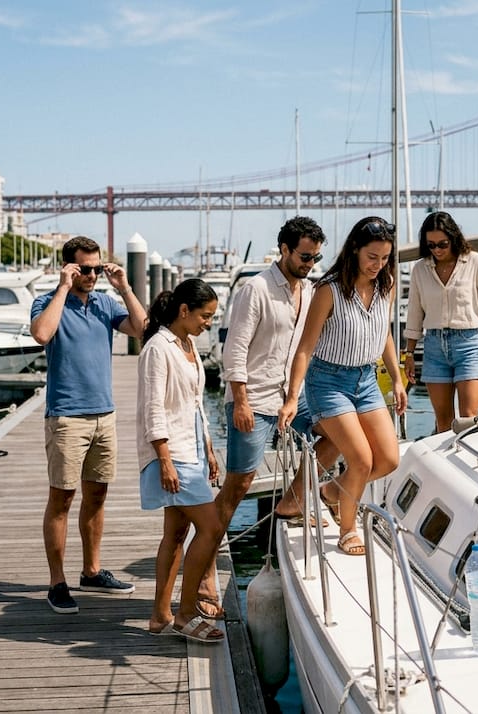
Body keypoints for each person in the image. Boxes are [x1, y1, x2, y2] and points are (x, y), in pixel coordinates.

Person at [204, 217, 340, 618]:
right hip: (255, 399)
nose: (310, 263)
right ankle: (207, 566)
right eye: (304, 256)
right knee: (239, 484)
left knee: (337, 436)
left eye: (316, 257)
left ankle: (294, 499)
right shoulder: (256, 289)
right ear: (283, 248)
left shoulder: (313, 290)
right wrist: (241, 402)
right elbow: (234, 350)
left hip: (294, 397)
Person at [30, 236, 147, 615]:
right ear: (70, 267)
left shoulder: (104, 303)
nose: (93, 275)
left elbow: (143, 328)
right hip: (66, 416)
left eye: (97, 268)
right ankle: (56, 581)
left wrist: (125, 287)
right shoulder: (48, 301)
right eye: (86, 269)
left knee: (97, 497)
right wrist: (64, 287)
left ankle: (92, 571)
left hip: (104, 414)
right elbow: (42, 334)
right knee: (61, 499)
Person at [279, 217, 407, 557]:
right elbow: (305, 348)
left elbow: (384, 335)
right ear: (354, 250)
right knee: (362, 460)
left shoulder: (387, 284)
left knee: (390, 459)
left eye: (384, 258)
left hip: (366, 380)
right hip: (329, 382)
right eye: (372, 257)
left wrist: (396, 378)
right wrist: (293, 398)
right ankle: (348, 530)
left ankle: (332, 492)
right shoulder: (329, 289)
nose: (378, 265)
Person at [137, 279, 226, 642]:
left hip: (192, 451)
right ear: (184, 310)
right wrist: (165, 460)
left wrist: (207, 446)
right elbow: (153, 409)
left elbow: (193, 404)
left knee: (175, 534)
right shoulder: (159, 348)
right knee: (213, 527)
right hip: (172, 454)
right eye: (206, 316)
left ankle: (160, 616)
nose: (209, 322)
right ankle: (186, 613)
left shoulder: (188, 344)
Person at [403, 211, 478, 434]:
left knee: (468, 419)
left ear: (453, 238)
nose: (437, 250)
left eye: (442, 244)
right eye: (431, 245)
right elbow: (414, 313)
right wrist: (409, 354)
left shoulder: (474, 261)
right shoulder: (420, 269)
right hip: (434, 347)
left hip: (469, 345)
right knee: (444, 424)